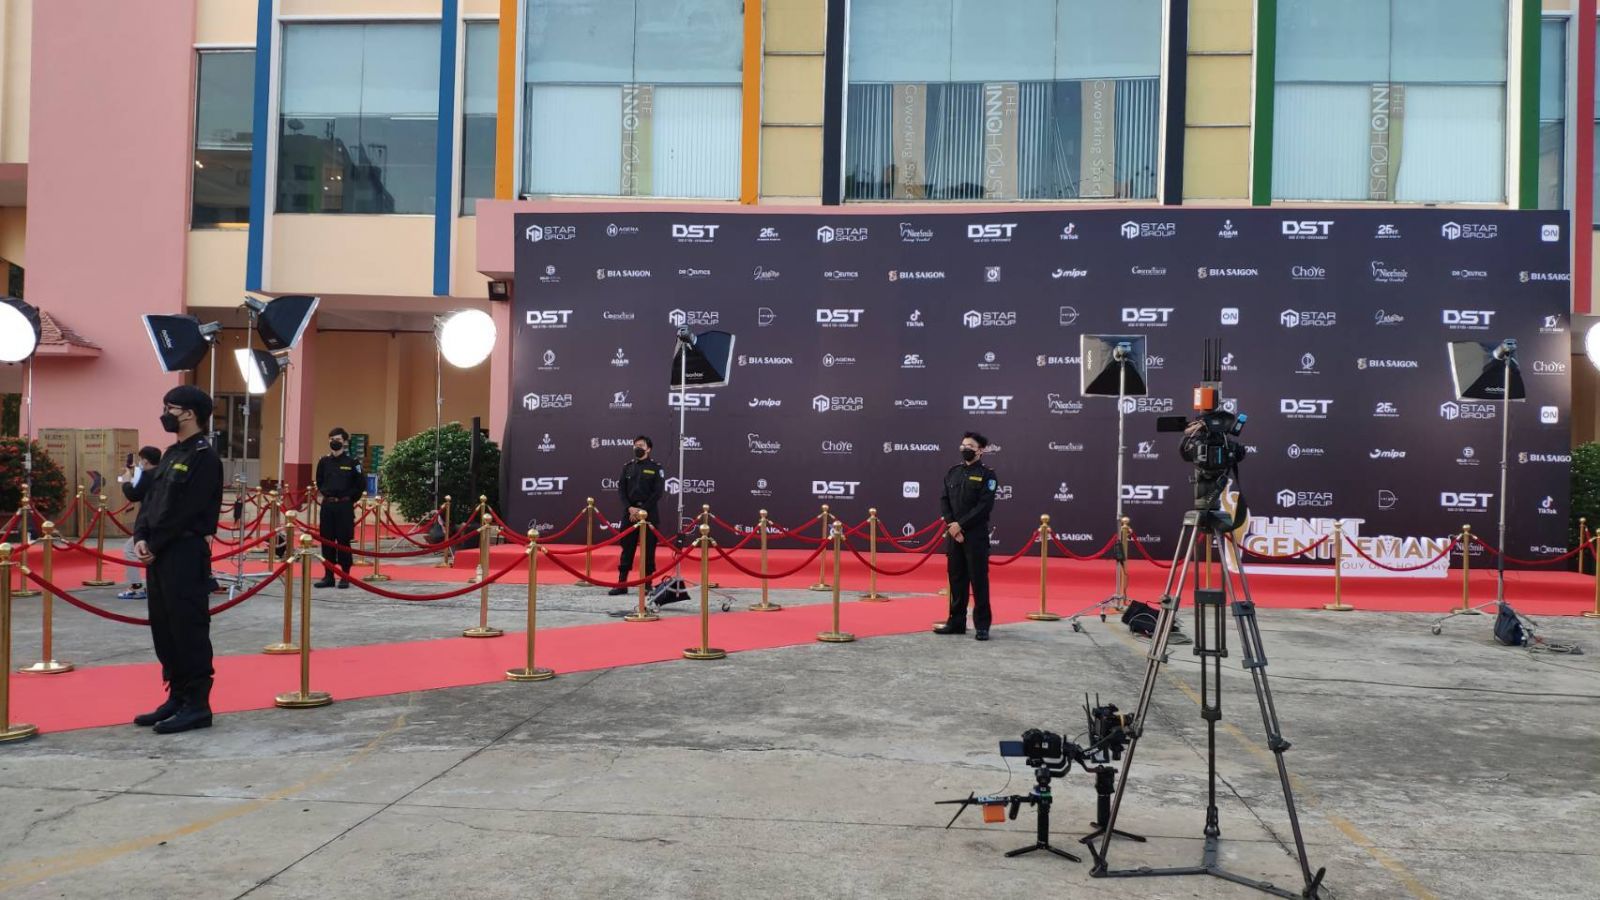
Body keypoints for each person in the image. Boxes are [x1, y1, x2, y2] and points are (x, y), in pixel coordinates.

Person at [132, 386, 224, 734]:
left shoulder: (205, 458)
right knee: (165, 627)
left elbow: (187, 509)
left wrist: (156, 543)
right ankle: (178, 695)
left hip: (184, 552)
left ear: (189, 413)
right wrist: (141, 536)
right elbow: (152, 499)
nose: (165, 414)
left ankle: (198, 704)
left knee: (188, 628)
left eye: (170, 408)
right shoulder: (172, 453)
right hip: (159, 552)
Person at [934, 432, 999, 641]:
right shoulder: (953, 472)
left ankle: (982, 626)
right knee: (956, 580)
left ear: (980, 450)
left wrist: (961, 525)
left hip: (975, 536)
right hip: (954, 535)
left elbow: (984, 507)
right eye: (963, 445)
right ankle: (956, 622)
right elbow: (944, 500)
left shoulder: (987, 475)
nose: (965, 448)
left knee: (978, 581)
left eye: (970, 445)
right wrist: (952, 526)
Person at [608, 435, 665, 596]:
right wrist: (630, 508)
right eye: (635, 445)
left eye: (641, 445)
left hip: (649, 514)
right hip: (630, 514)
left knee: (648, 550)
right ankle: (622, 583)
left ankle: (647, 584)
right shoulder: (627, 467)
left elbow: (658, 492)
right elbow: (621, 490)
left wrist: (642, 511)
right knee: (627, 549)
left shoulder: (656, 467)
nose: (637, 448)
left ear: (648, 448)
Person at [314, 427, 364, 589]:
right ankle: (328, 576)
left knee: (343, 541)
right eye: (331, 440)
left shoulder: (352, 462)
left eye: (338, 440)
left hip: (344, 506)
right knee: (327, 541)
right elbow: (319, 481)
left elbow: (360, 484)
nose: (334, 442)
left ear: (345, 442)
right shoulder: (324, 461)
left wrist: (348, 499)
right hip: (328, 506)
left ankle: (345, 576)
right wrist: (327, 494)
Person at [115, 446, 162, 600]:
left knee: (130, 549)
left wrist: (126, 482)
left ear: (145, 461)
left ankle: (136, 586)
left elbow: (134, 495)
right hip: (163, 521)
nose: (140, 462)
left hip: (150, 523)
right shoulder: (163, 473)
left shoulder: (148, 475)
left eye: (141, 459)